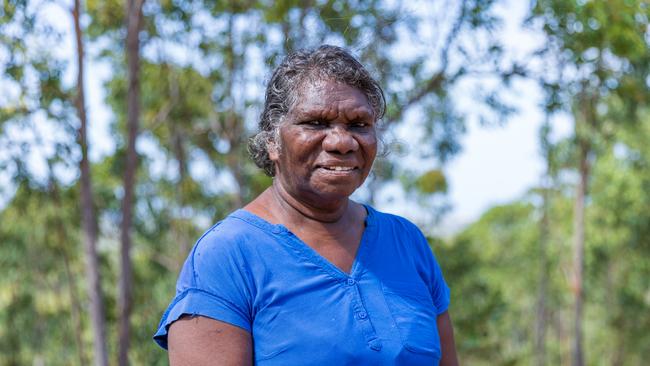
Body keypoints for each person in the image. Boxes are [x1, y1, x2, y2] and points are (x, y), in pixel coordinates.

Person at [154, 45, 459, 366]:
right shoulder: (228, 255)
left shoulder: (405, 241)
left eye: (359, 125)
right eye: (315, 123)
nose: (342, 142)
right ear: (272, 140)